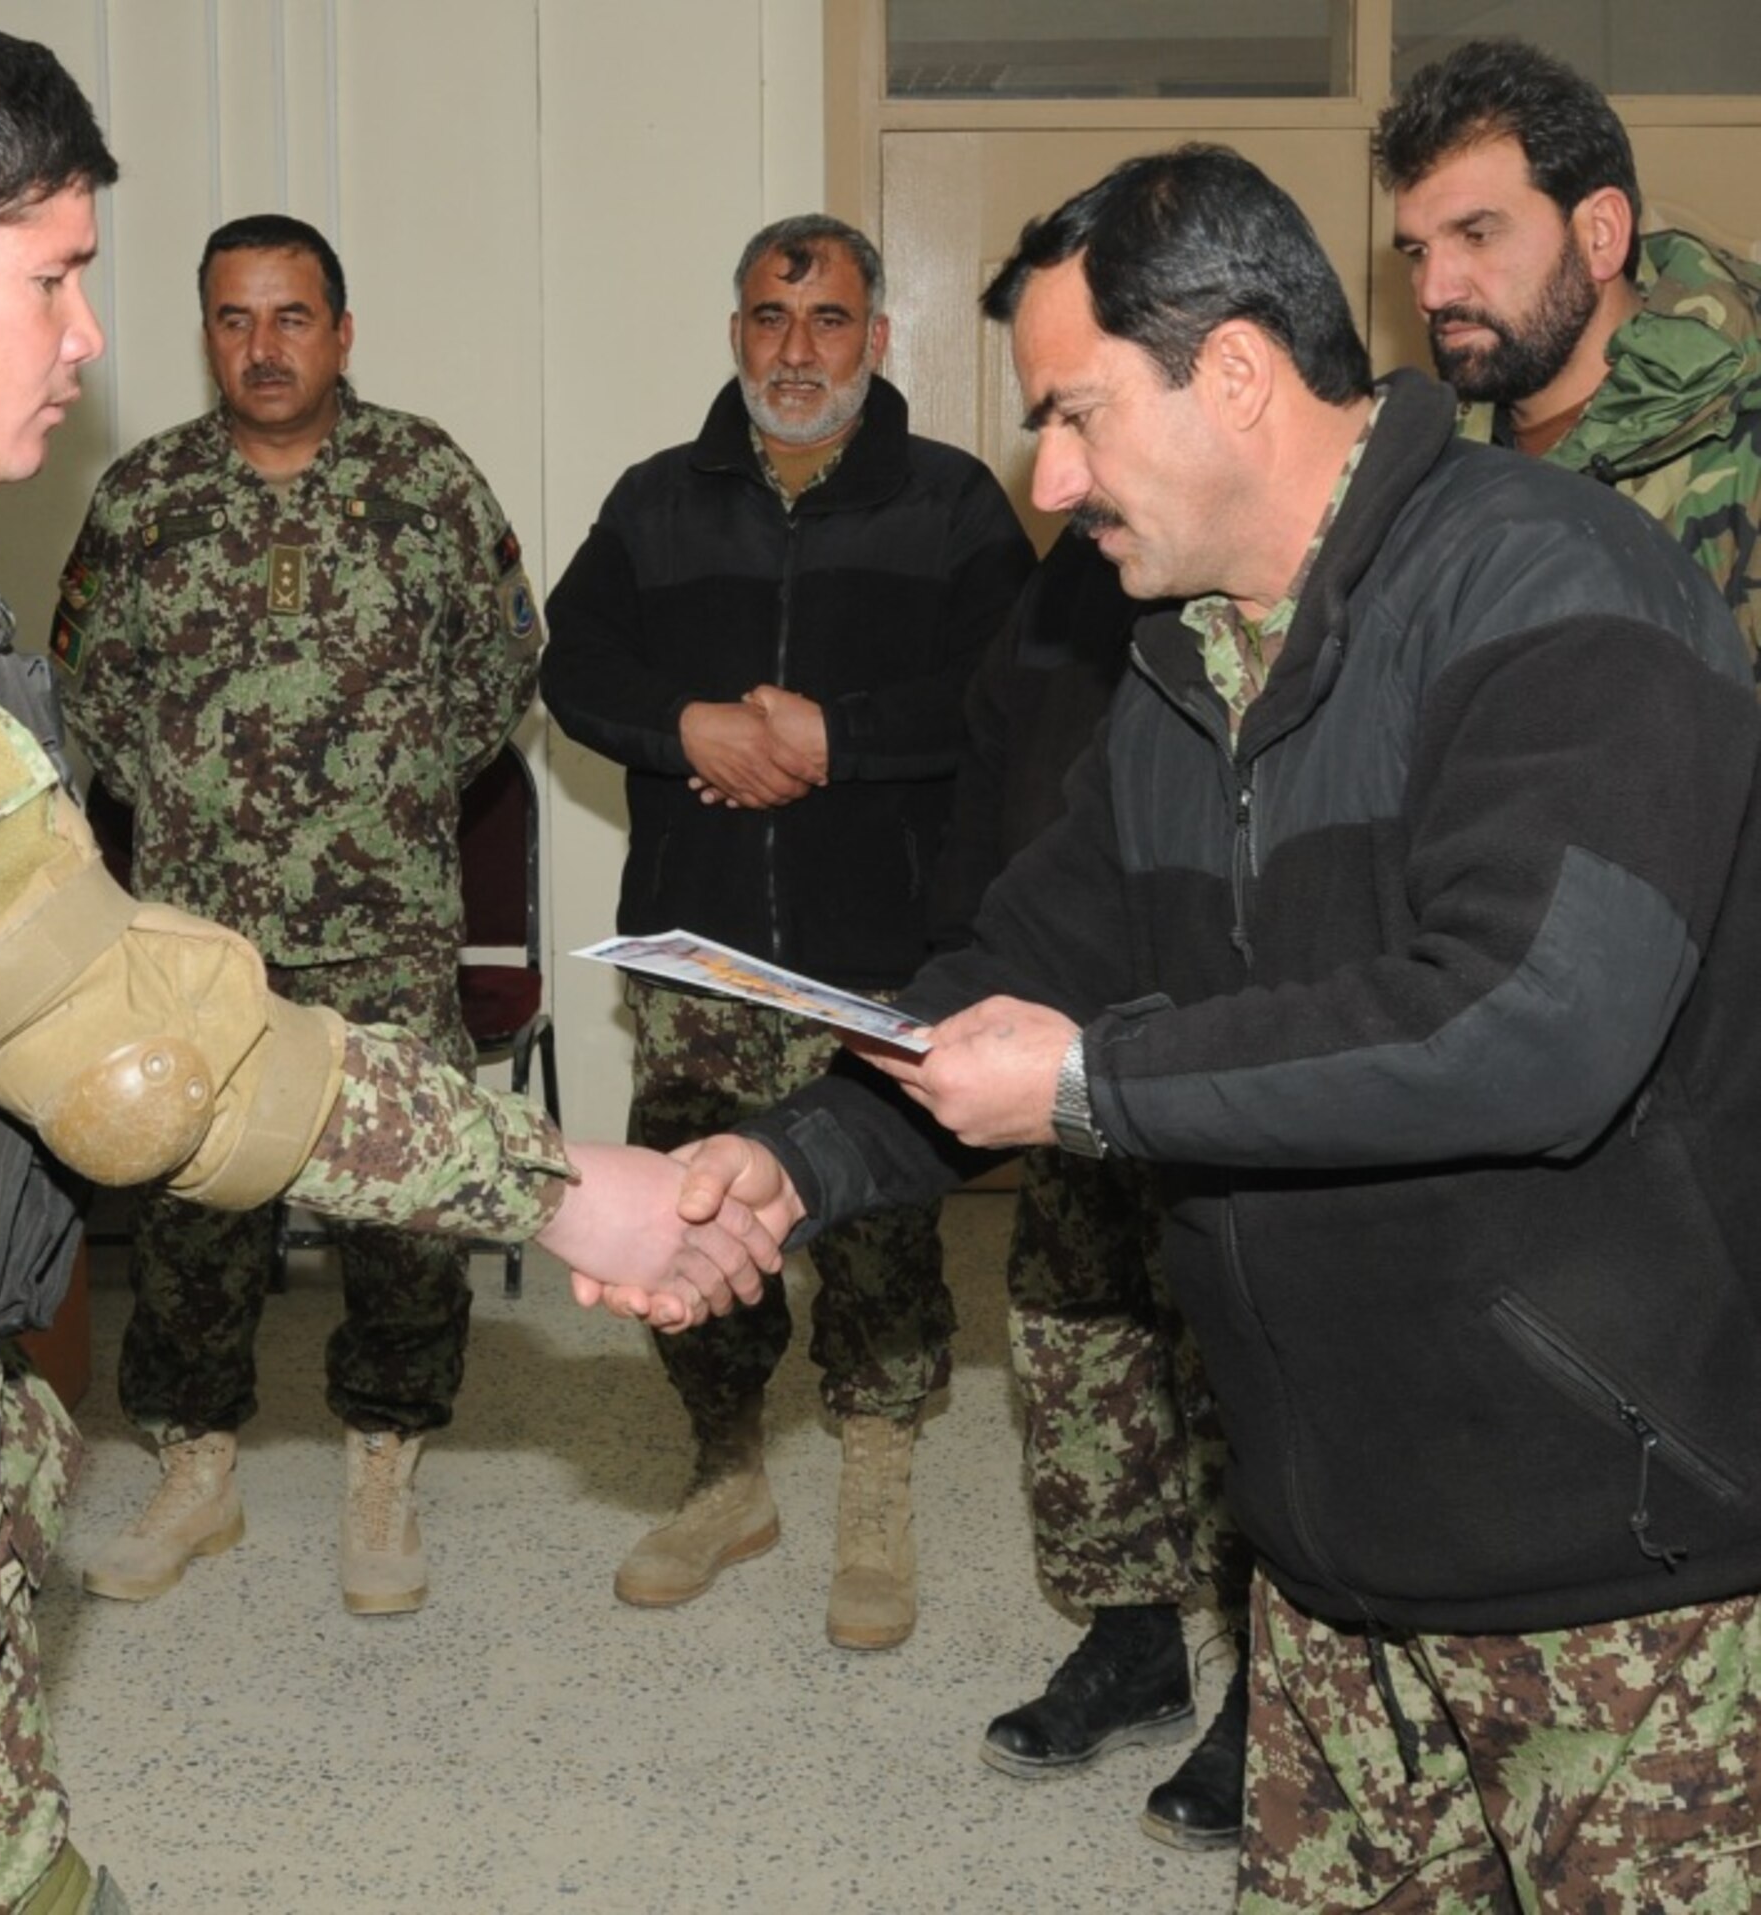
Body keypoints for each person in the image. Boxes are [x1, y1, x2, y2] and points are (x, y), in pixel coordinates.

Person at [669, 145, 1761, 1908]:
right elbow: (1013, 969)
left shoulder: (1560, 590)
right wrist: (778, 1170)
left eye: (1079, 418)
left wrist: (1097, 1085)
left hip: (1623, 1579)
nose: (1049, 476)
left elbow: (1533, 1023)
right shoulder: (1183, 665)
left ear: (1236, 374)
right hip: (1327, 1572)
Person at [0, 21, 774, 1912]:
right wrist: (570, 1184)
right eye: (53, 278)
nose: (90, 333)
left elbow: (497, 666)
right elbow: (151, 1054)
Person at [543, 214, 1031, 1650]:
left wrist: (837, 738)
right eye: (769, 318)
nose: (796, 349)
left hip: (876, 946)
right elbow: (572, 665)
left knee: (874, 1231)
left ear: (878, 339)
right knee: (687, 1215)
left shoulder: (952, 507)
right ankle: (727, 1470)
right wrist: (684, 723)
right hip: (696, 953)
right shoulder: (655, 502)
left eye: (827, 321)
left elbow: (1008, 697)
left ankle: (875, 1484)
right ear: (737, 334)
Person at [53, 214, 537, 1618]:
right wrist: (198, 806)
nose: (262, 348)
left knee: (405, 1207)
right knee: (195, 1201)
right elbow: (88, 683)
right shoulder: (144, 498)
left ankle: (385, 1456)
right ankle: (196, 1463)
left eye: (291, 317)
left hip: (387, 917)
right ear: (206, 331)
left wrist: (387, 787)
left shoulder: (425, 478)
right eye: (233, 319)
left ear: (341, 329)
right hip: (202, 930)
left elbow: (505, 655)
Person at [932, 534, 1252, 1848]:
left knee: (1234, 1365)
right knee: (1076, 1349)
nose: (1064, 466)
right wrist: (963, 956)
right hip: (1058, 1002)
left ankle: (1272, 1678)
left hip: (1211, 1031)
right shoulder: (1080, 566)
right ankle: (1133, 1642)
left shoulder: (1267, 560)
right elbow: (998, 755)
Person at [1373, 36, 1761, 657]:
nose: (1433, 289)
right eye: (1418, 253)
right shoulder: (1412, 461)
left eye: (1477, 235)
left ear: (1600, 236)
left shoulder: (1739, 443)